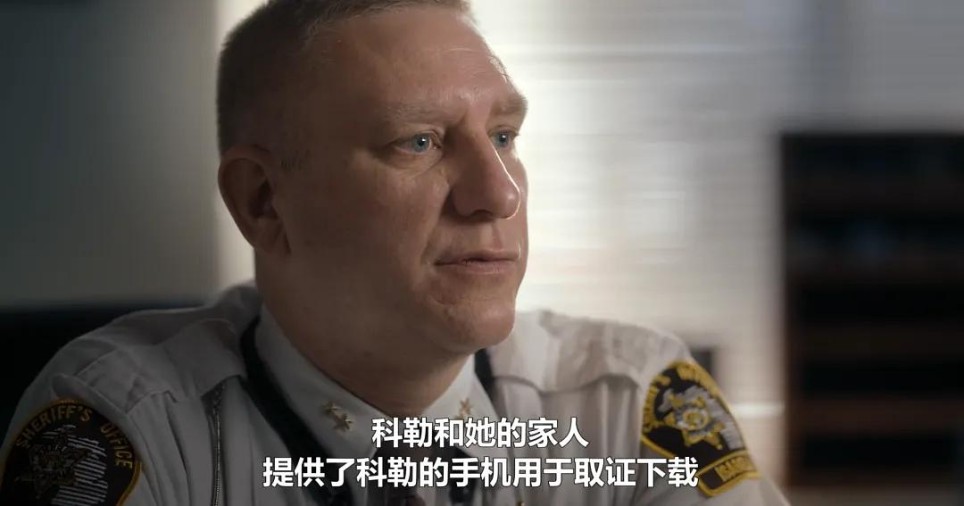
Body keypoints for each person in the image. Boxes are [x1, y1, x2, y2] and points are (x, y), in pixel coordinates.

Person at [0, 1, 790, 505]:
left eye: (504, 136)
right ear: (263, 201)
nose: (499, 195)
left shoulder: (624, 404)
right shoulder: (126, 429)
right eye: (417, 142)